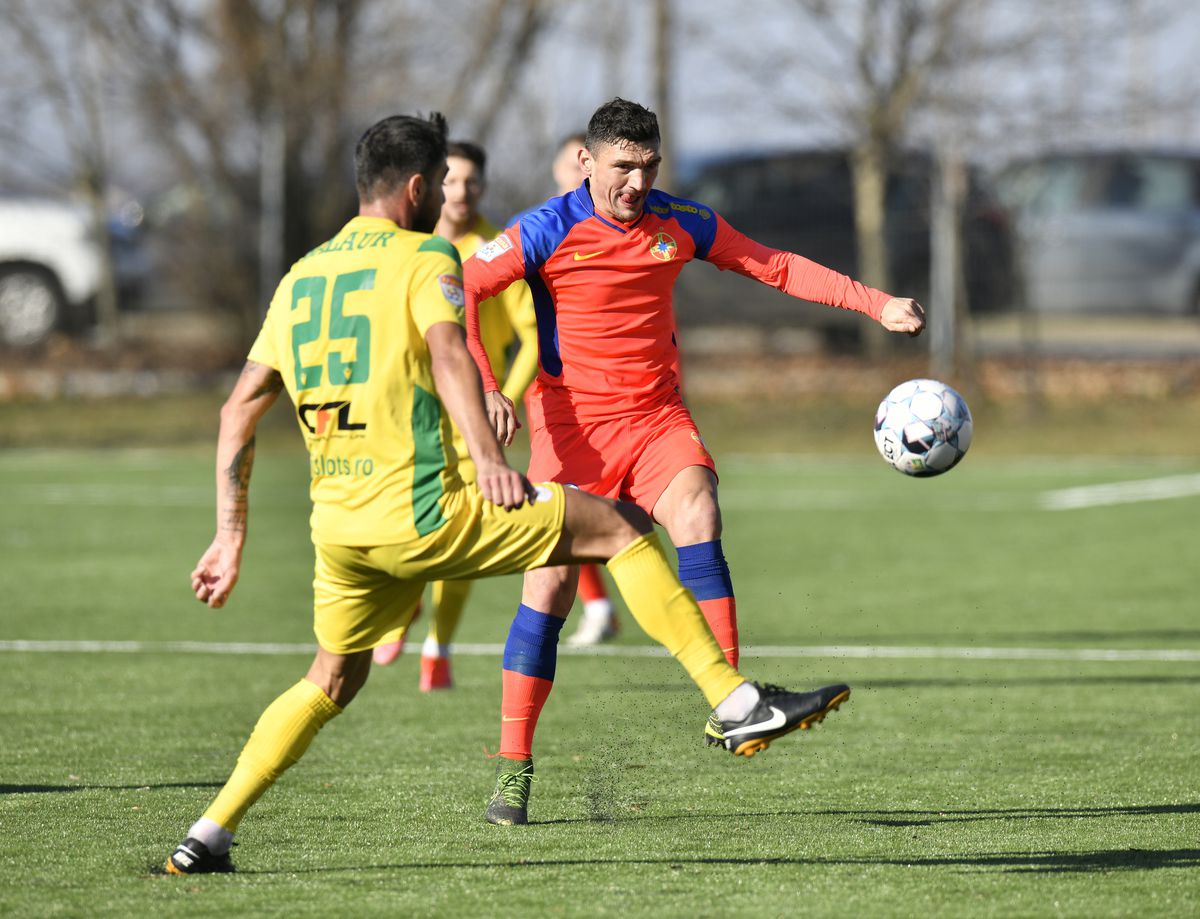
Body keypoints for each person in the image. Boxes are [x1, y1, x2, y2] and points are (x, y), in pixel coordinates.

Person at [163, 111, 852, 874]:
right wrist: (491, 456)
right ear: (421, 188)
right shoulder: (426, 257)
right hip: (428, 511)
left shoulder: (301, 276)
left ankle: (208, 834)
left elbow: (238, 408)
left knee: (328, 678)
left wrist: (230, 534)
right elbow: (453, 351)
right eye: (445, 188)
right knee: (621, 531)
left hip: (339, 530)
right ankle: (733, 701)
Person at [463, 98, 923, 778]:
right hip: (571, 437)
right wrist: (487, 384)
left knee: (698, 508)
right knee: (549, 591)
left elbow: (777, 265)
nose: (638, 184)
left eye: (649, 167)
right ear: (586, 162)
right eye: (623, 167)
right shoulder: (543, 228)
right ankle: (513, 762)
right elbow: (462, 289)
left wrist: (875, 303)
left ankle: (732, 701)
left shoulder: (680, 223)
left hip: (656, 421)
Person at [369, 140, 539, 691]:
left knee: (456, 534)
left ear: (483, 188)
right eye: (452, 180)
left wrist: (500, 399)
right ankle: (400, 612)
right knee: (403, 523)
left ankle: (438, 648)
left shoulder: (495, 249)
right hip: (413, 418)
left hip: (470, 421)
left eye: (471, 182)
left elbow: (532, 338)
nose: (460, 192)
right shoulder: (411, 246)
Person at [548, 131, 622, 648]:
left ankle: (599, 607)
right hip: (554, 399)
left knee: (591, 515)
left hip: (610, 398)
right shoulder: (541, 230)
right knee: (568, 512)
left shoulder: (634, 226)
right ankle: (597, 607)